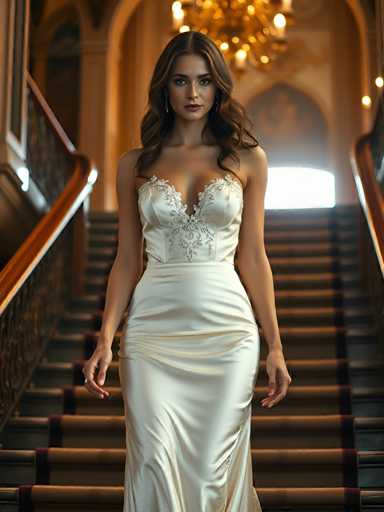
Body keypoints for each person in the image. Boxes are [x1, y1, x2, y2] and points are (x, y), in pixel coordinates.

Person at [82, 30, 292, 511]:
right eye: (181, 81)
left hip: (228, 333)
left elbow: (254, 257)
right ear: (165, 88)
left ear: (218, 88)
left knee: (211, 472)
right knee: (154, 458)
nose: (193, 94)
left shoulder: (249, 159)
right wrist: (105, 337)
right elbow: (127, 259)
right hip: (153, 332)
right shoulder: (134, 164)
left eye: (203, 82)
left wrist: (275, 344)